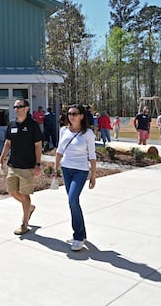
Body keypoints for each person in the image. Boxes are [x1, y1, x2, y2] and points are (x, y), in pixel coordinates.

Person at [53, 104, 97, 251]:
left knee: (72, 199)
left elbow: (92, 155)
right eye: (69, 113)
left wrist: (93, 175)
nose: (71, 116)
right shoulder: (64, 130)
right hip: (66, 168)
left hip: (81, 170)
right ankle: (81, 233)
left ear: (82, 116)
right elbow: (59, 150)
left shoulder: (88, 133)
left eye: (75, 113)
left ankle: (78, 236)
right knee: (73, 202)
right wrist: (55, 167)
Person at [0, 99, 43, 236]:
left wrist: (38, 164)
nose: (16, 109)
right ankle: (30, 208)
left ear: (26, 108)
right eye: (15, 107)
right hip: (13, 164)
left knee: (25, 194)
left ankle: (24, 224)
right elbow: (8, 143)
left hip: (27, 167)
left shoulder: (33, 125)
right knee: (12, 191)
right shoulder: (12, 124)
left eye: (19, 106)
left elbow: (38, 145)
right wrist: (1, 158)